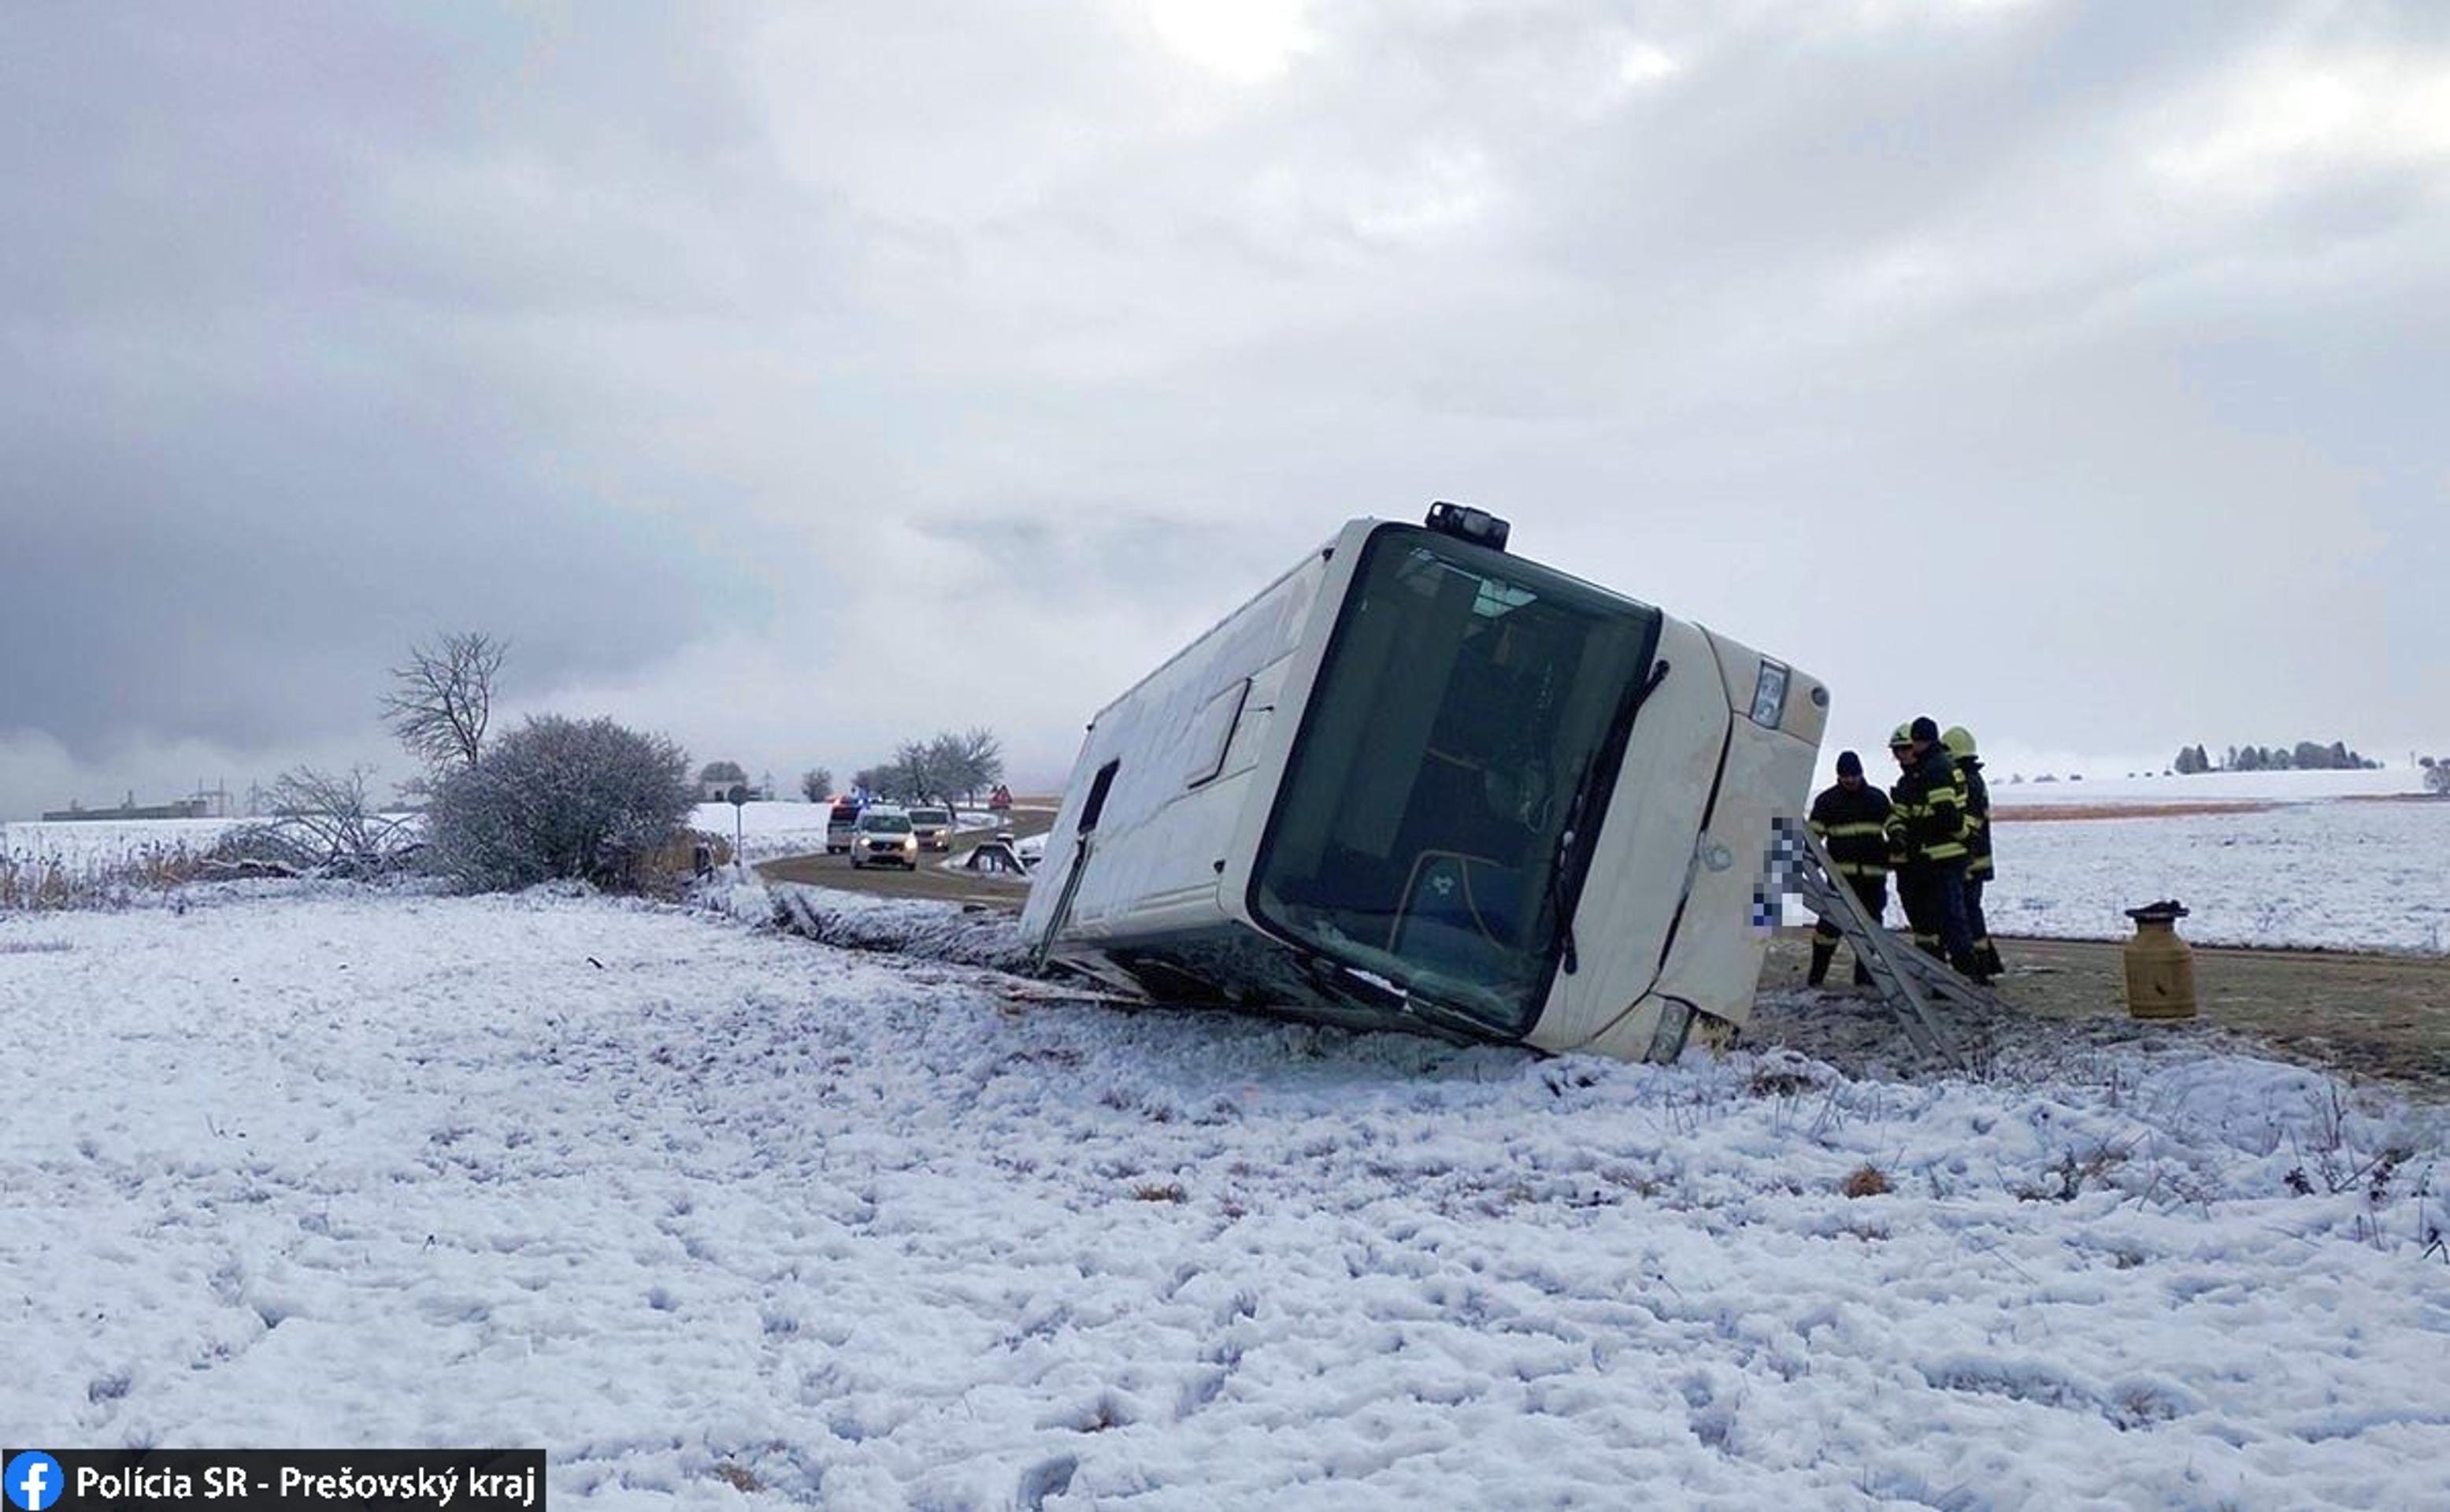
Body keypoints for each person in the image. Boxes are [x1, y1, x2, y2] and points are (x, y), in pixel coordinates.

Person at [1885, 716, 1981, 980]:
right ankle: (1940, 980)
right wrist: (1897, 833)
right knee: (1930, 924)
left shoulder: (1936, 769)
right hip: (1924, 862)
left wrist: (1964, 837)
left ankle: (1967, 980)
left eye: (1906, 748)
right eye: (1898, 751)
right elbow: (1900, 813)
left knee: (1951, 921)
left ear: (1917, 742)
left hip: (1942, 860)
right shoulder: (1915, 777)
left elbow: (1946, 814)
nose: (1903, 755)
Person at [1806, 750, 1892, 988]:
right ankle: (1816, 978)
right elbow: (1814, 837)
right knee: (1827, 931)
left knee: (1871, 932)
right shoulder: (1827, 802)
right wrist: (1807, 862)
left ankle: (1865, 981)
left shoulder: (1878, 799)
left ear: (1861, 773)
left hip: (1873, 880)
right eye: (1846, 777)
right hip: (1841, 881)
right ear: (1838, 776)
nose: (1850, 781)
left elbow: (1895, 831)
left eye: (1853, 776)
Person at [1943, 725, 2003, 980]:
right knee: (1970, 910)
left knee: (1968, 911)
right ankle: (1988, 962)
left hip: (1969, 860)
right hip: (1977, 859)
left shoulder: (1967, 783)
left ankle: (1981, 964)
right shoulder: (1974, 780)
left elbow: (1968, 824)